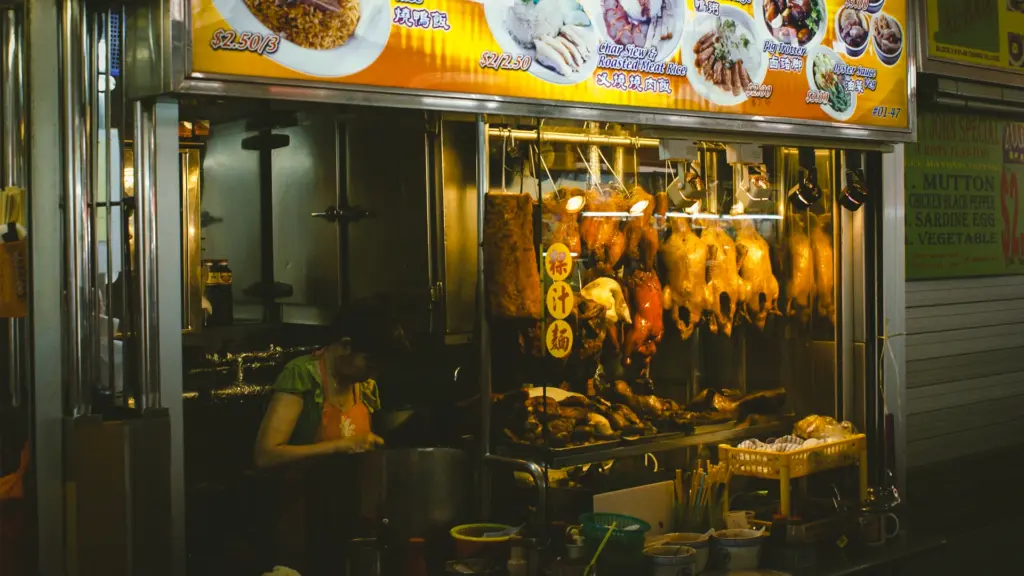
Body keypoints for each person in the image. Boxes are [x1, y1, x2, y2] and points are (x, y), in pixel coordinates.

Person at [254, 295, 407, 467]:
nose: (373, 375)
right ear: (345, 346)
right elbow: (266, 455)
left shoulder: (364, 385)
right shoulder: (301, 374)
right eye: (370, 364)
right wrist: (339, 447)